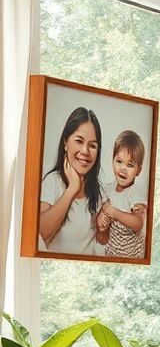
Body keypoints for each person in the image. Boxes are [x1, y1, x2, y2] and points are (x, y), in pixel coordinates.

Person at [38, 106, 103, 255]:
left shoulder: (99, 192)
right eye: (79, 141)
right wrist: (72, 189)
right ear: (65, 143)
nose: (85, 151)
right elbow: (41, 233)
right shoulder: (53, 182)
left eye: (92, 145)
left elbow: (102, 242)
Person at [95, 129, 149, 258]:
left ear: (138, 171)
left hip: (133, 256)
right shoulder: (107, 191)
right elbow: (102, 240)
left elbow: (138, 224)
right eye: (119, 161)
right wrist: (101, 224)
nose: (123, 168)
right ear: (112, 161)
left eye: (130, 165)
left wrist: (113, 212)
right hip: (112, 255)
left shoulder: (136, 192)